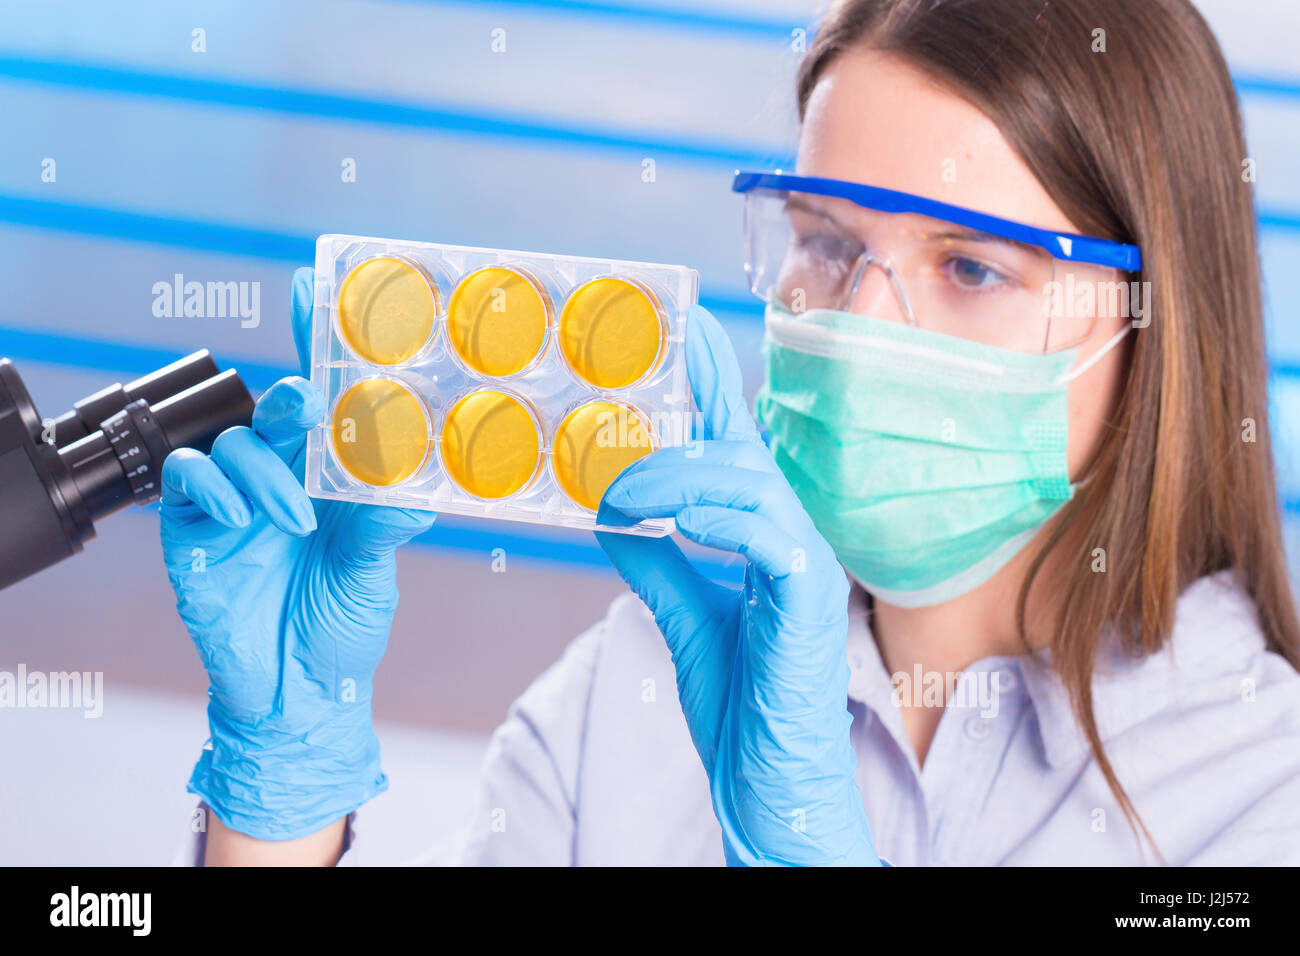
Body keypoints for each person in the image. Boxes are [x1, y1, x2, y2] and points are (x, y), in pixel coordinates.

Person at [165, 0, 1300, 866]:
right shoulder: (624, 695)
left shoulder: (1258, 791)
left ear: (1155, 319)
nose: (857, 326)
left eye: (968, 267)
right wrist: (283, 805)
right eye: (824, 239)